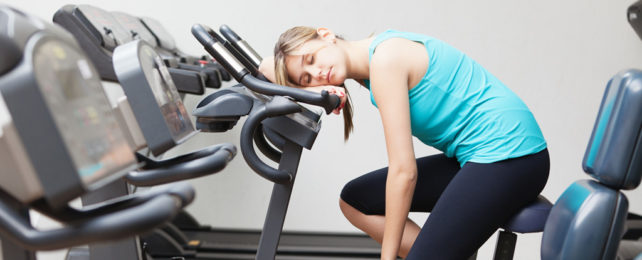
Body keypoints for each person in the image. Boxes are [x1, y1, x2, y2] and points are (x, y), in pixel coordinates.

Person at [258, 27, 549, 260]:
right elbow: (268, 67)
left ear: (326, 35)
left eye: (311, 59)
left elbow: (404, 172)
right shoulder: (371, 58)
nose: (317, 72)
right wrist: (320, 86)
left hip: (512, 155)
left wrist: (387, 258)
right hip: (479, 154)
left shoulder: (385, 61)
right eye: (306, 78)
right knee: (355, 201)